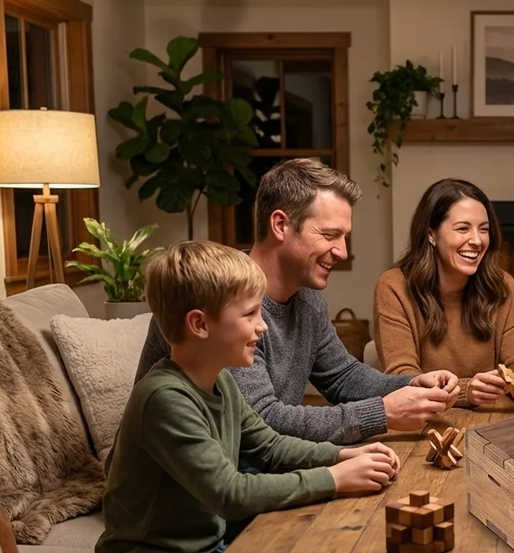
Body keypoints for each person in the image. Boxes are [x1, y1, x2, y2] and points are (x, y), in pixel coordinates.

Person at [97, 241, 401, 553]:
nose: (262, 327)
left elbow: (271, 446)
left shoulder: (220, 379)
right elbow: (230, 493)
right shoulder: (164, 399)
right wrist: (334, 479)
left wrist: (341, 454)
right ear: (199, 324)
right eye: (250, 315)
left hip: (203, 551)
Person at [135, 159, 459, 445]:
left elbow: (342, 376)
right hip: (186, 486)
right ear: (280, 225)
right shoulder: (220, 302)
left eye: (345, 237)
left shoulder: (307, 300)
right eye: (330, 235)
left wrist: (411, 384)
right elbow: (262, 422)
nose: (343, 251)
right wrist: (381, 413)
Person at [374, 178, 514, 407]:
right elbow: (403, 379)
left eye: (483, 229)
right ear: (431, 234)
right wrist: (465, 391)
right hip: (423, 423)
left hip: (492, 421)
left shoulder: (502, 285)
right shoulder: (394, 287)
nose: (476, 240)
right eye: (463, 228)